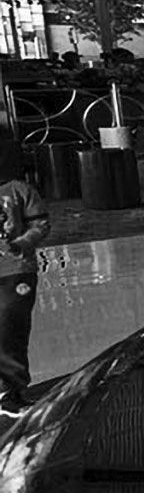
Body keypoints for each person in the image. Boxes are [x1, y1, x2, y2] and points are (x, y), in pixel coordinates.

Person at [0, 141, 53, 419]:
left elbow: (41, 225)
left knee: (10, 327)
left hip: (16, 271)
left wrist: (21, 243)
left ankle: (12, 391)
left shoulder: (20, 190)